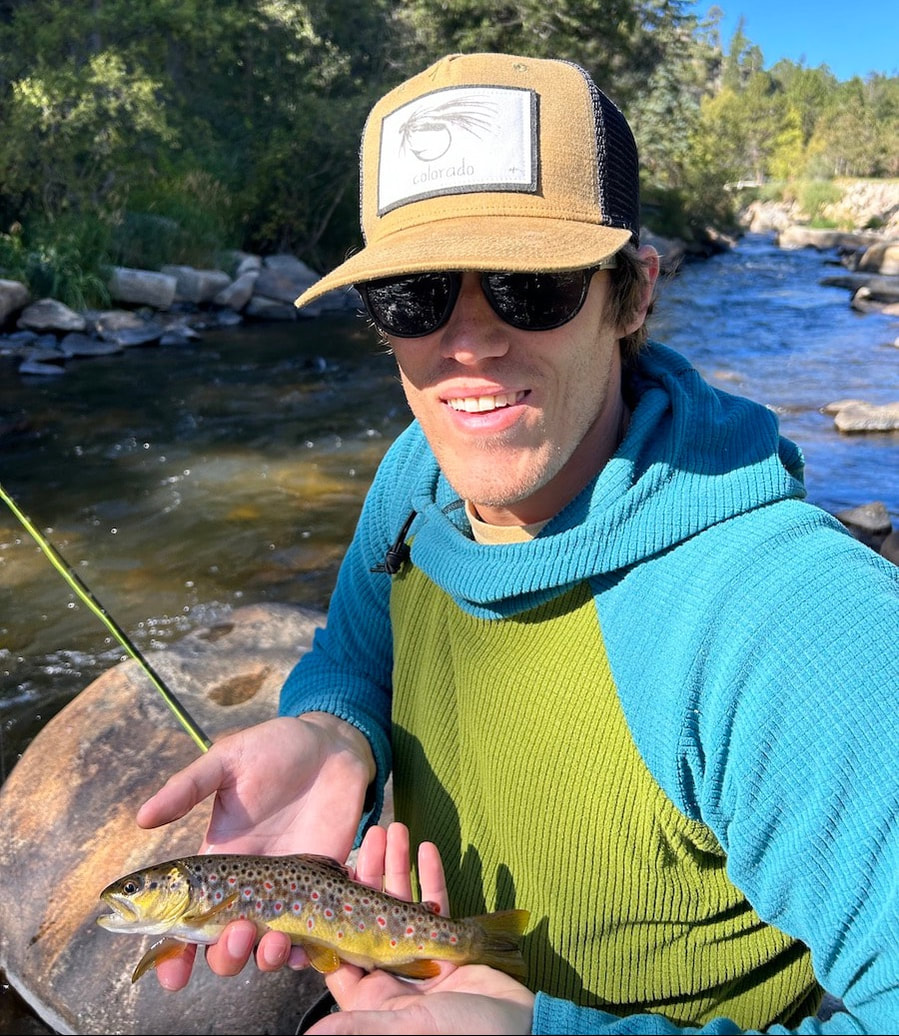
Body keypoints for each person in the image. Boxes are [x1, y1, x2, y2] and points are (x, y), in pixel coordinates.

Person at [137, 52, 899, 1034]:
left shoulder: (790, 621)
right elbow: (354, 659)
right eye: (412, 293)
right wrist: (333, 731)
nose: (467, 342)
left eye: (527, 283)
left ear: (630, 294)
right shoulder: (416, 478)